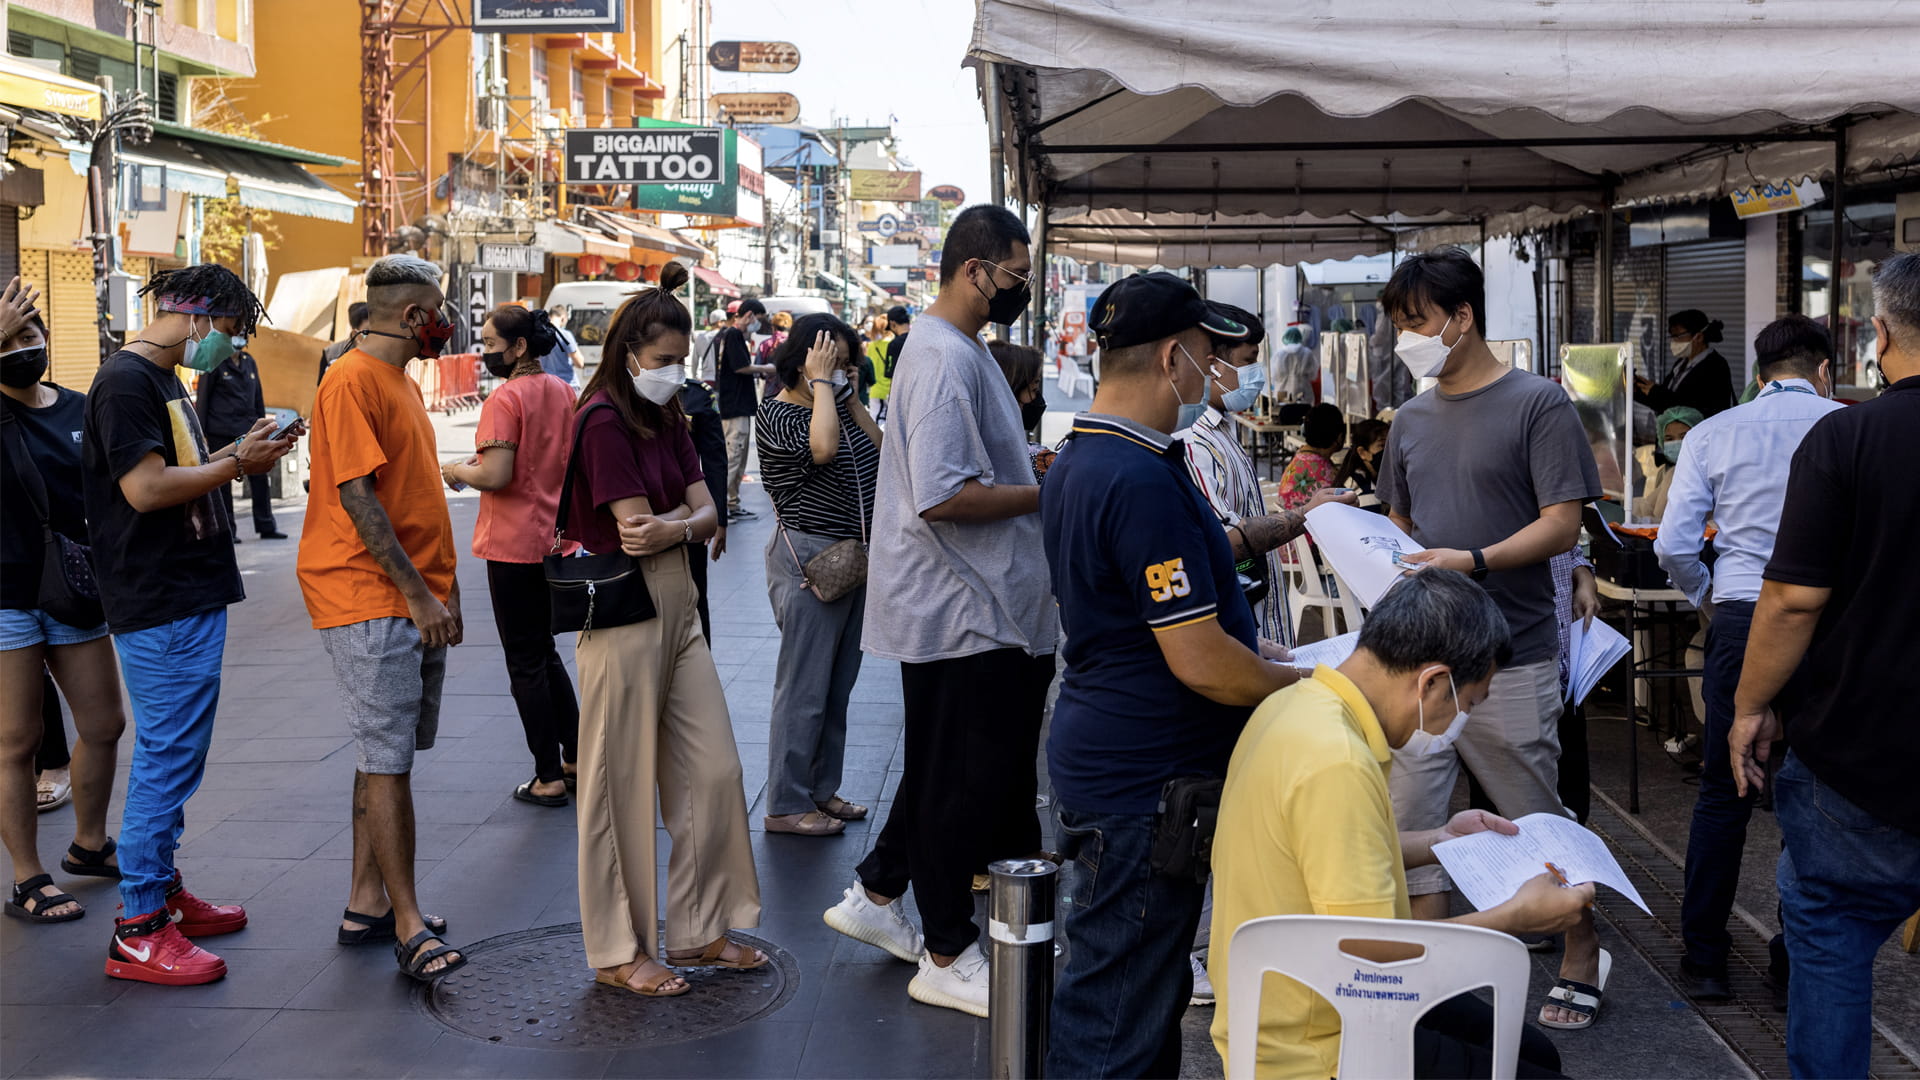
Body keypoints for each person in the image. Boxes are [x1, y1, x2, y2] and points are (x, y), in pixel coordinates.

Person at [1040, 271, 1306, 1078]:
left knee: (1136, 999)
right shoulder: (1137, 477)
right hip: (1143, 786)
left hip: (1116, 760)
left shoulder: (1087, 458)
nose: (1214, 372)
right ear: (1171, 357)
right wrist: (1309, 689)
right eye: (1206, 354)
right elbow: (1200, 661)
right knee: (1113, 1016)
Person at [1209, 569, 1592, 1079]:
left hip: (1285, 1004)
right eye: (1468, 704)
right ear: (1432, 682)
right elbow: (1375, 957)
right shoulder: (1337, 761)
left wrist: (1439, 841)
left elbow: (1321, 855)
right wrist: (1513, 919)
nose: (1461, 721)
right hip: (1323, 1044)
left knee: (1531, 1052)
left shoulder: (1295, 705)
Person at [821, 205, 1057, 1018]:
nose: (1020, 290)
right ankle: (948, 950)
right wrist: (1047, 490)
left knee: (945, 767)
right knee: (963, 780)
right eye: (1015, 277)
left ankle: (878, 894)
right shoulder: (941, 359)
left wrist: (1031, 466)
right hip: (963, 605)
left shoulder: (960, 351)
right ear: (973, 270)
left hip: (973, 603)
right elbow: (947, 495)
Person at [1374, 247, 1607, 1028]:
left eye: (1416, 323)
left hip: (1513, 651)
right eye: (1399, 326)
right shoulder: (1407, 418)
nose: (1406, 340)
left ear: (1462, 316)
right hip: (1423, 664)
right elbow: (1400, 521)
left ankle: (1582, 950)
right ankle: (1438, 978)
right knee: (1419, 817)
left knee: (1531, 813)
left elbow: (1561, 521)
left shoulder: (1538, 403)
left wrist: (1473, 560)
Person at [1729, 253, 1920, 1079]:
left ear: (1879, 333)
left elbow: (1792, 601)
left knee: (1834, 937)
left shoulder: (1846, 437)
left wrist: (1749, 706)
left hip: (1858, 750)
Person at [82, 265, 297, 984]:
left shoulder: (169, 377)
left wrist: (240, 452)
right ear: (197, 315)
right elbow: (144, 489)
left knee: (179, 754)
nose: (232, 350)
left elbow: (180, 468)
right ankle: (139, 925)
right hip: (158, 592)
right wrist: (238, 461)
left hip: (186, 586)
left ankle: (162, 891)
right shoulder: (127, 382)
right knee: (166, 756)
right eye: (231, 332)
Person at [561, 262, 764, 999]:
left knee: (714, 770)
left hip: (678, 604)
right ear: (627, 354)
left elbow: (705, 512)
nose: (674, 371)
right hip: (622, 609)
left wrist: (685, 521)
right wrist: (690, 521)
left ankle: (702, 928)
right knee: (615, 786)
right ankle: (618, 950)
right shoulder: (603, 421)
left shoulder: (670, 414)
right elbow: (637, 528)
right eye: (663, 359)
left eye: (681, 358)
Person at [1654, 314, 1842, 1005]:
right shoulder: (1844, 427)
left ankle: (1704, 959)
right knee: (1814, 794)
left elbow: (1672, 546)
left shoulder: (1710, 433)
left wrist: (1715, 602)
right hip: (1829, 625)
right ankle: (1796, 960)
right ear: (1824, 368)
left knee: (1723, 789)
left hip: (1740, 615)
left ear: (1761, 373)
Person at [299, 254, 467, 981]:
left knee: (383, 754)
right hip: (372, 598)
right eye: (439, 308)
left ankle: (366, 901)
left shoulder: (394, 379)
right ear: (410, 316)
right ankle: (405, 923)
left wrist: (438, 589)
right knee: (388, 764)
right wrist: (417, 594)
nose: (446, 321)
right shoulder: (351, 380)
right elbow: (359, 500)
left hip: (405, 596)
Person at [1, 296, 127, 924]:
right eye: (4, 337)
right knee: (17, 740)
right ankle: (28, 877)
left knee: (104, 723)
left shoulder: (79, 409)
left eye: (27, 332)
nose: (18, 346)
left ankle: (90, 842)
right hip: (5, 598)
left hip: (73, 587)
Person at [441, 305, 581, 808]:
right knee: (545, 653)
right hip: (558, 543)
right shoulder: (566, 393)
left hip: (514, 546)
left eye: (491, 343)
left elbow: (496, 474)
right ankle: (574, 758)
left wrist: (456, 470)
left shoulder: (505, 399)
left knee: (525, 661)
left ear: (518, 346)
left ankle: (546, 776)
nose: (485, 352)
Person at [757, 314, 882, 837]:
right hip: (810, 561)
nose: (844, 372)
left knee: (837, 687)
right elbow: (824, 449)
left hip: (853, 560)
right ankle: (785, 803)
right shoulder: (778, 415)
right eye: (835, 363)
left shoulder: (837, 406)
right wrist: (826, 387)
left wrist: (846, 393)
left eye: (849, 366)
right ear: (806, 363)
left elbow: (882, 449)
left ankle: (822, 790)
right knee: (803, 688)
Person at [195, 345, 285, 541]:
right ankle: (228, 529)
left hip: (248, 428)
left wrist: (265, 428)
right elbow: (203, 399)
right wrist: (201, 432)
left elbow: (258, 396)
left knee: (260, 478)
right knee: (224, 482)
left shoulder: (249, 362)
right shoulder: (215, 361)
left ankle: (266, 524)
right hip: (221, 430)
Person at [714, 298, 774, 520]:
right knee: (734, 456)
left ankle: (732, 503)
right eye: (757, 320)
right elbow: (741, 367)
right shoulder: (733, 335)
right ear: (749, 315)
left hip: (739, 405)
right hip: (734, 406)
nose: (757, 326)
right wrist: (768, 368)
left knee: (738, 459)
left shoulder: (733, 335)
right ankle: (723, 507)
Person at [1635, 309, 1736, 419]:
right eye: (1672, 336)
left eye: (1678, 336)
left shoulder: (1716, 366)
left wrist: (1656, 393)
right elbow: (1663, 401)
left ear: (1699, 337)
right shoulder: (1681, 363)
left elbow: (1696, 408)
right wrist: (1637, 390)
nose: (1674, 341)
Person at [1631, 405, 1702, 520]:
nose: (1677, 443)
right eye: (1669, 439)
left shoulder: (1705, 476)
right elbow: (1647, 507)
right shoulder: (1673, 473)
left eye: (1684, 437)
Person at [1274, 403, 1346, 511]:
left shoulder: (1301, 457)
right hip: (1307, 526)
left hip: (1291, 523)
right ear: (1340, 436)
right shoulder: (1327, 476)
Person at [1332, 417, 1389, 500]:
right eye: (1382, 445)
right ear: (1362, 452)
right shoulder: (1365, 490)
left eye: (1391, 444)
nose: (1389, 451)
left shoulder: (1353, 478)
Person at [320, 301, 370, 379]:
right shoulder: (332, 354)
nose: (374, 335)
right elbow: (321, 387)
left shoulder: (384, 353)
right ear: (355, 334)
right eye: (367, 331)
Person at [539, 304, 584, 389]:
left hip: (547, 385)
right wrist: (575, 345)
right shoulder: (565, 335)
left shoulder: (539, 335)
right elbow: (580, 363)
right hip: (567, 384)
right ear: (563, 318)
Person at [1269, 325, 1316, 405]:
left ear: (1285, 337)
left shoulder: (1279, 354)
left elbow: (1274, 375)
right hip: (1303, 391)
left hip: (1283, 392)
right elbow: (1313, 375)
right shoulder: (1307, 353)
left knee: (1285, 413)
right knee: (1303, 413)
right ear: (1300, 337)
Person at [757, 310, 793, 402]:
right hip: (792, 392)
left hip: (770, 393)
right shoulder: (795, 344)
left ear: (773, 327)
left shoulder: (765, 344)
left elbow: (758, 371)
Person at [865, 313, 894, 422]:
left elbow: (868, 365)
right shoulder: (893, 344)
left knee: (877, 422)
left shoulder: (872, 346)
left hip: (876, 390)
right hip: (891, 389)